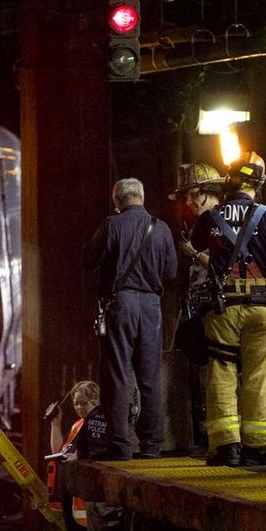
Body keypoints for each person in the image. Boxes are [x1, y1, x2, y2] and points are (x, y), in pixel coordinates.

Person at [190, 152, 266, 466]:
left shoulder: (211, 217)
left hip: (224, 310)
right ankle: (257, 447)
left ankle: (226, 447)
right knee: (259, 377)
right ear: (259, 183)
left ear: (229, 181)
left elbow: (197, 247)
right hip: (263, 311)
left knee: (221, 375)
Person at [82, 178, 177, 459]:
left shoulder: (112, 225)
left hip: (120, 304)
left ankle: (120, 445)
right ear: (142, 197)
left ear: (118, 200)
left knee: (118, 374)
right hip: (151, 306)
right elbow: (171, 272)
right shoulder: (161, 229)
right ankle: (151, 445)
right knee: (149, 376)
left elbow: (88, 261)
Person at [170, 163, 227, 448]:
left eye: (193, 195)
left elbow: (226, 267)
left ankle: (221, 440)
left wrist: (193, 254)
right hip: (199, 312)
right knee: (200, 378)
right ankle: (207, 438)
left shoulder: (221, 222)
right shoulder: (200, 225)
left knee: (218, 378)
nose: (189, 202)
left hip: (220, 313)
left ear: (209, 192)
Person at [47, 381, 101, 531]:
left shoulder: (99, 426)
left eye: (84, 403)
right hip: (74, 501)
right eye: (76, 403)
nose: (79, 407)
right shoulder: (78, 425)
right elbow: (60, 451)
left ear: (96, 402)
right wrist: (55, 423)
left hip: (87, 503)